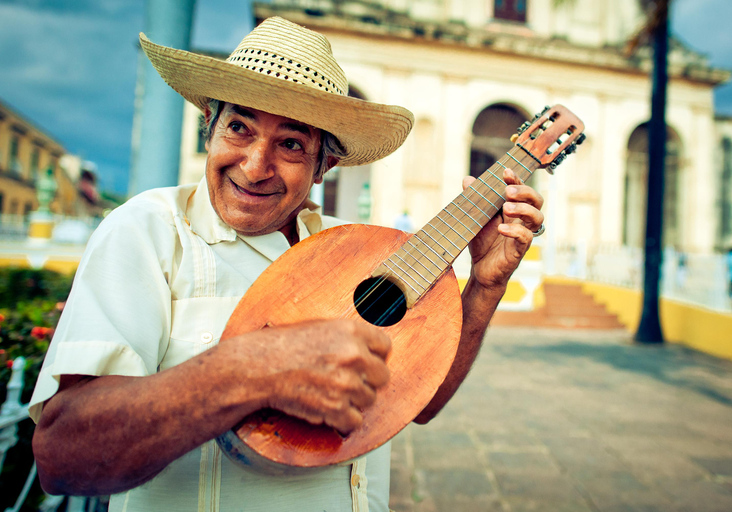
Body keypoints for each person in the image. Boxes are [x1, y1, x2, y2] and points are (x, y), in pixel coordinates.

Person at [30, 17, 544, 512]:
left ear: (326, 165)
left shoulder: (354, 248)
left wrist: (484, 287)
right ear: (209, 128)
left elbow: (419, 401)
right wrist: (254, 366)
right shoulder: (149, 230)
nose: (255, 166)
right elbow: (62, 459)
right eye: (239, 127)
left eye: (292, 144)